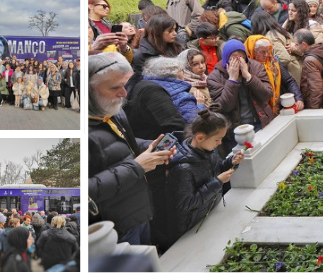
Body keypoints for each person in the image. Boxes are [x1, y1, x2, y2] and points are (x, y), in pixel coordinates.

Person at [88, 52, 174, 246]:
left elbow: (122, 144)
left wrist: (150, 147)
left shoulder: (110, 110)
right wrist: (137, 166)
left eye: (124, 86)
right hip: (115, 226)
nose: (124, 94)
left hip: (138, 210)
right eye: (115, 88)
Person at [164, 107, 244, 248]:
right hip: (191, 227)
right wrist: (218, 182)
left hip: (209, 212)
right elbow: (185, 204)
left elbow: (216, 168)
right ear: (200, 137)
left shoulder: (208, 149)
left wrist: (230, 162)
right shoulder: (182, 168)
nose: (220, 143)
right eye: (217, 139)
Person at [207, 39, 275, 138]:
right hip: (235, 129)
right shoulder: (215, 77)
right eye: (233, 59)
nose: (238, 63)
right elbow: (225, 107)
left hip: (261, 121)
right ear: (226, 59)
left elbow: (267, 95)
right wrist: (232, 80)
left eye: (241, 58)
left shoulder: (256, 67)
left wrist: (248, 77)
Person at [244, 35, 304, 113]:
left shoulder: (274, 62)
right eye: (262, 52)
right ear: (252, 51)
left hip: (278, 108)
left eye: (268, 51)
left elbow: (289, 81)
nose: (266, 55)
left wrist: (298, 98)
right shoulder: (247, 67)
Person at [141, 56, 202, 125]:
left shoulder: (144, 89)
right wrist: (200, 106)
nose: (183, 73)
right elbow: (196, 124)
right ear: (177, 74)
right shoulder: (183, 98)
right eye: (182, 70)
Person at [294, 29, 323, 109]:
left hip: (316, 104)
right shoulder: (320, 50)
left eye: (296, 45)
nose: (295, 47)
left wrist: (314, 109)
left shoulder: (309, 61)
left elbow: (316, 88)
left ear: (304, 44)